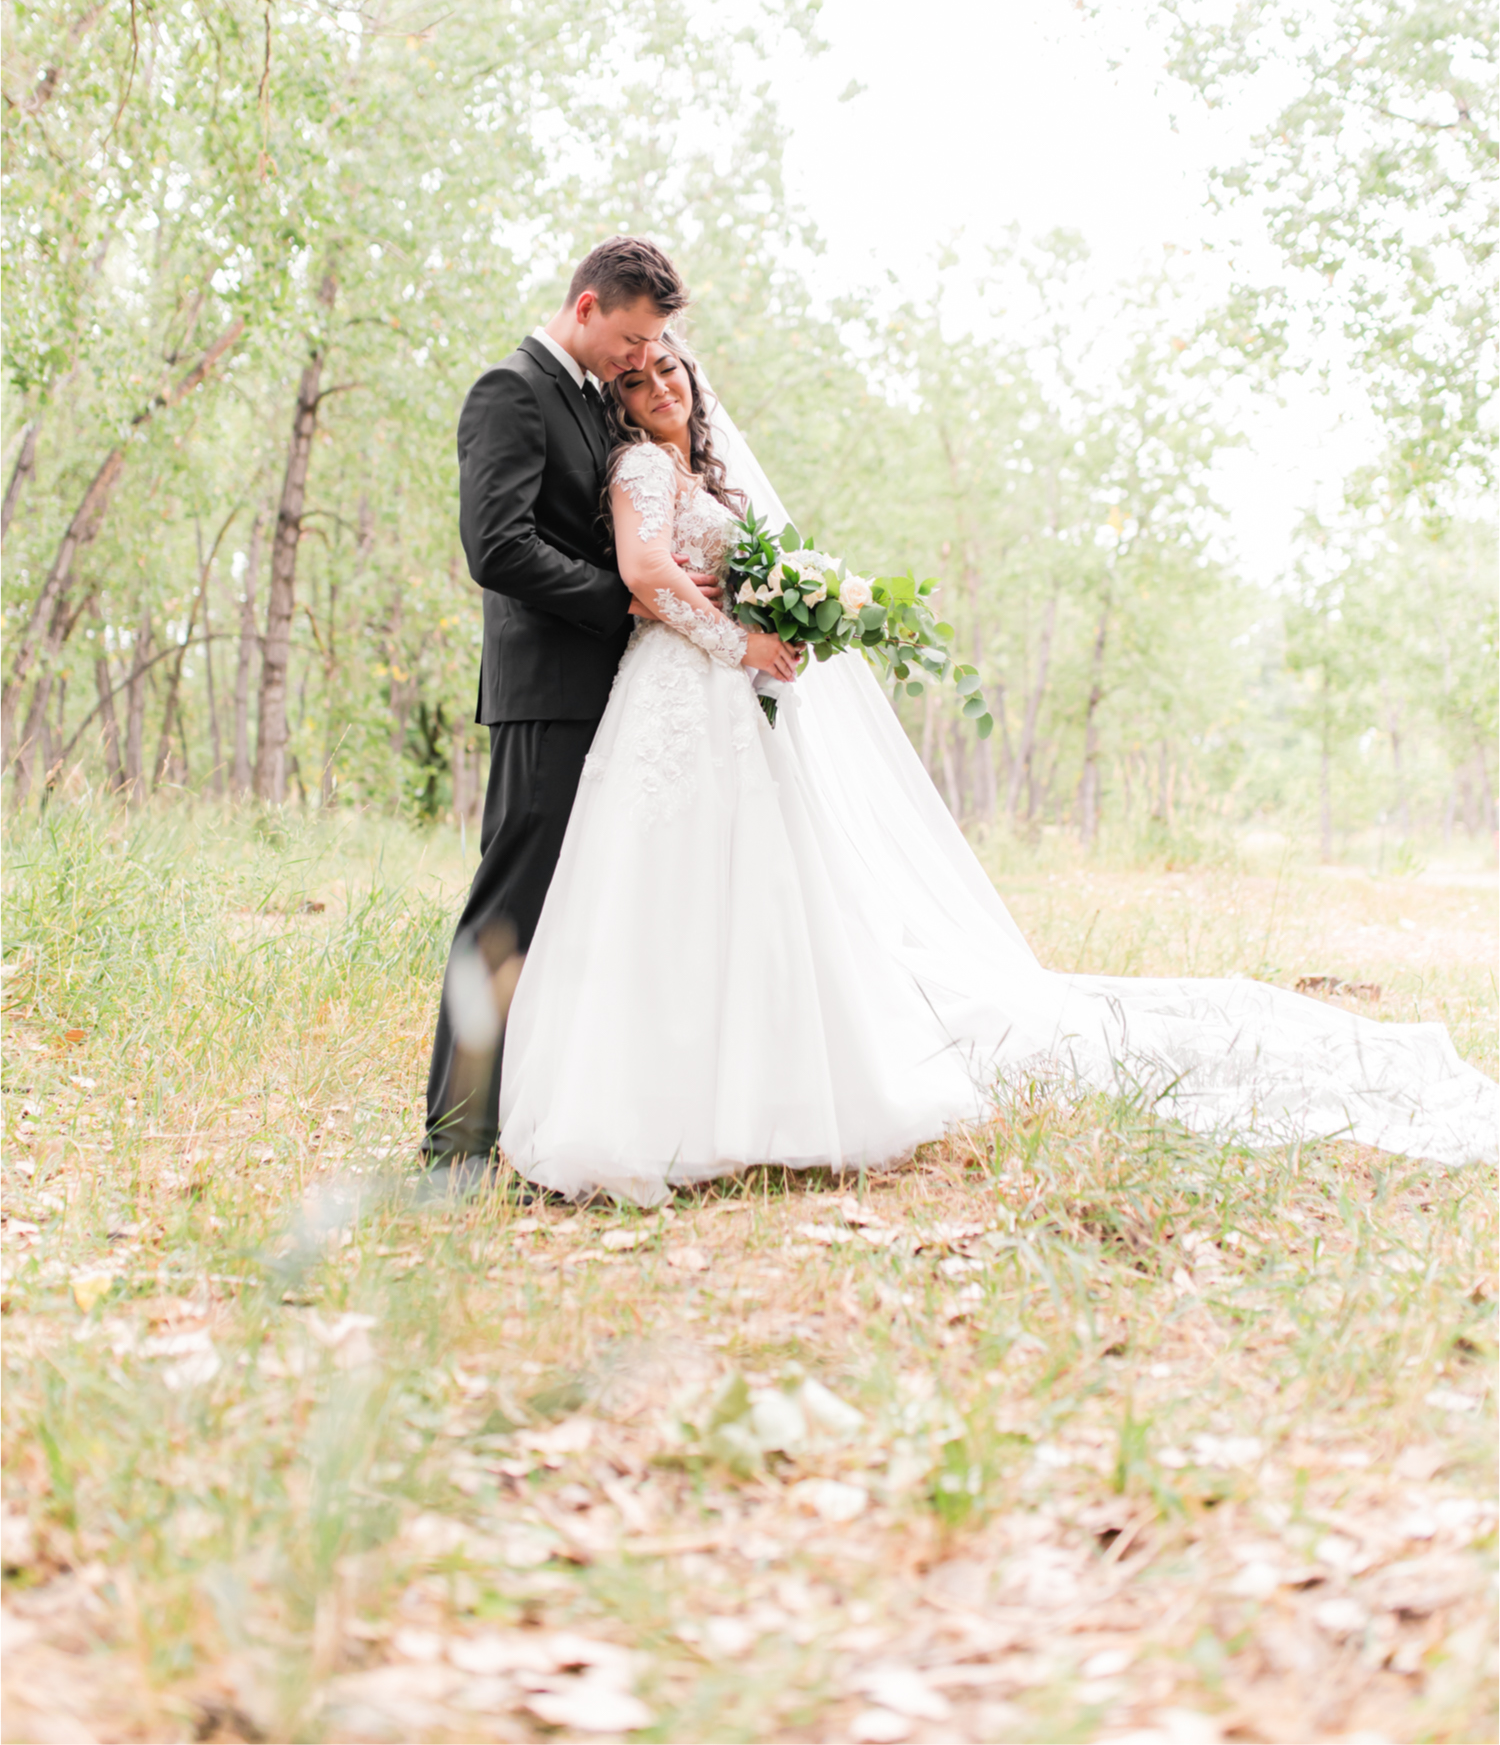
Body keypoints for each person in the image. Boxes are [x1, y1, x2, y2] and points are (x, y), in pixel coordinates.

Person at [493, 331, 1500, 1203]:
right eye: (639, 380)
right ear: (618, 397)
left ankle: (767, 1087)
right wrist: (741, 644)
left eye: (671, 372)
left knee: (765, 889)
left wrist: (778, 621)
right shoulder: (639, 470)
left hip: (732, 696)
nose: (661, 388)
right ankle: (669, 1099)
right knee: (668, 891)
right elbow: (646, 576)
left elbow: (710, 569)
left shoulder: (714, 477)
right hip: (680, 691)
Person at [423, 237, 759, 1178]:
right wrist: (628, 596)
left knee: (574, 915)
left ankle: (531, 1114)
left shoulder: (585, 396)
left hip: (605, 691)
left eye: (656, 341)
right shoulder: (511, 389)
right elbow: (497, 547)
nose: (638, 358)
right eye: (631, 336)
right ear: (585, 308)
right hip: (546, 691)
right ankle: (453, 1143)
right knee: (508, 912)